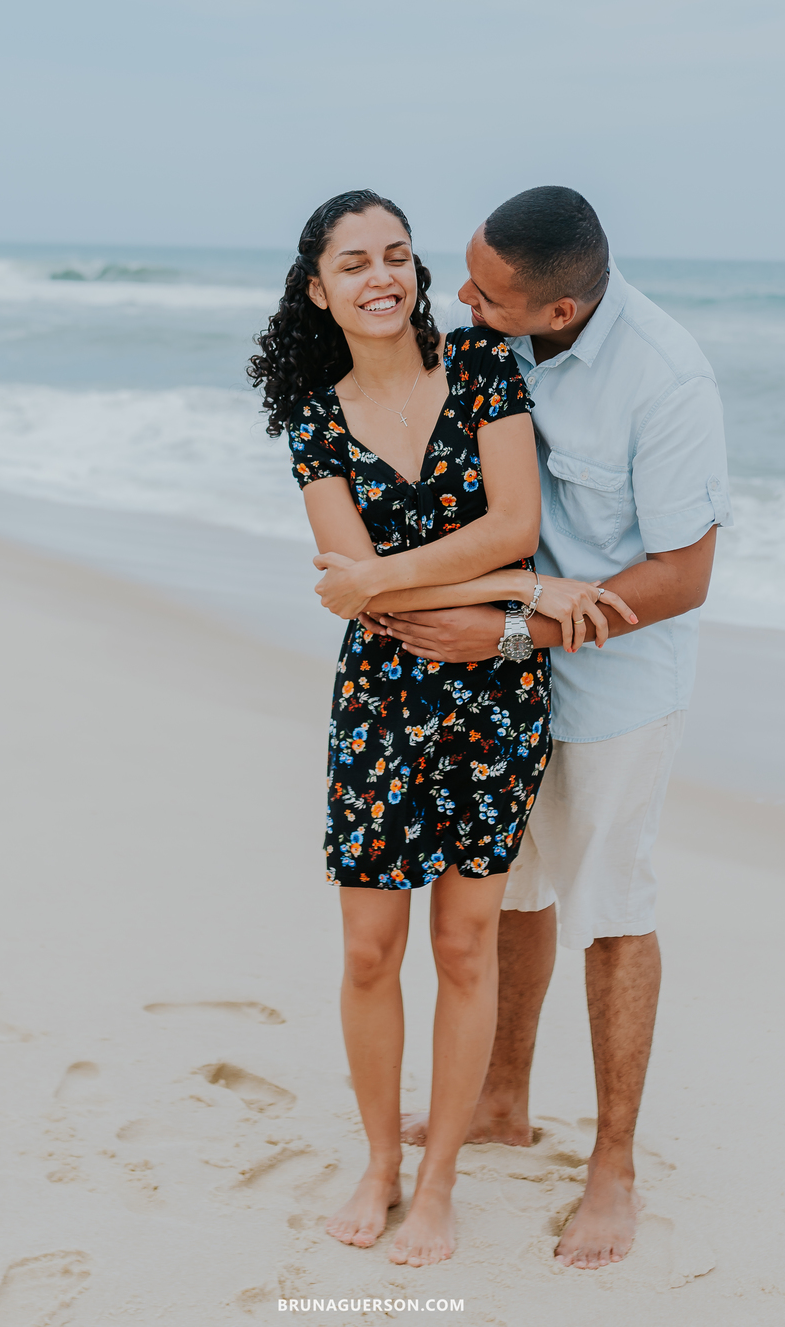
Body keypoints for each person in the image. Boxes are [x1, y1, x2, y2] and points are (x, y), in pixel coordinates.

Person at [248, 188, 635, 1270]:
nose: (383, 277)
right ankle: (378, 1161)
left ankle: (438, 1182)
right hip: (379, 701)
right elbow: (354, 599)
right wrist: (521, 587)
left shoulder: (480, 368)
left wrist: (394, 573)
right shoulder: (313, 413)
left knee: (467, 945)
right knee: (371, 950)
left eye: (399, 256)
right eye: (355, 263)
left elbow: (515, 519)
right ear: (317, 289)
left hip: (493, 705)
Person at [363, 185, 733, 1272]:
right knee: (506, 888)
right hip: (502, 670)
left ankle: (613, 1166)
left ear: (559, 313)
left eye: (486, 290)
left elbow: (684, 573)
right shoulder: (489, 339)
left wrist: (513, 635)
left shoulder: (665, 380)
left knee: (611, 910)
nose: (461, 298)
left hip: (613, 685)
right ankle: (503, 1101)